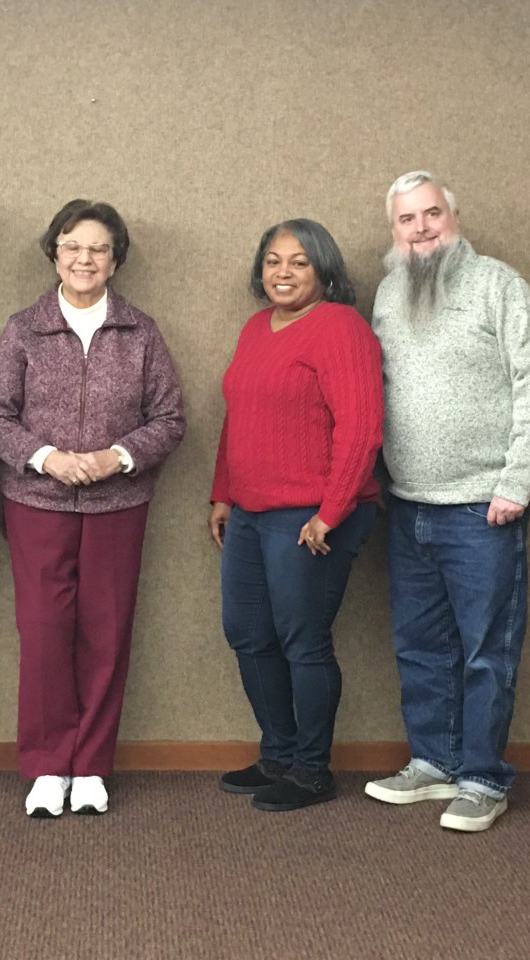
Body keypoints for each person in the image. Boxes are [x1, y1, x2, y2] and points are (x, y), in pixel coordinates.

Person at [364, 171, 530, 832]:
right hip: (409, 504)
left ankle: (482, 777)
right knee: (420, 645)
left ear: (454, 215)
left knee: (485, 650)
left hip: (484, 506)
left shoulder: (499, 285)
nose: (420, 229)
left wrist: (517, 481)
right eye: (406, 220)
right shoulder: (390, 293)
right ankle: (433, 764)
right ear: (393, 231)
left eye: (431, 214)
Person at [0, 200, 184, 818]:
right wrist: (46, 457)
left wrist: (117, 456)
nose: (84, 258)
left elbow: (170, 419)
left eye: (98, 248)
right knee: (44, 633)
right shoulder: (24, 329)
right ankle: (47, 767)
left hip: (119, 503)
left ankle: (91, 765)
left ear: (115, 260)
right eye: (72, 246)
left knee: (107, 633)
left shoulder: (141, 333)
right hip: (36, 502)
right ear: (55, 253)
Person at [208, 219, 383, 813]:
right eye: (273, 261)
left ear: (324, 269)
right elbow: (240, 415)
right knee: (248, 633)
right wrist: (223, 493)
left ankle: (312, 770)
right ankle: (278, 754)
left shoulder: (341, 328)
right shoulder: (257, 327)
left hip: (312, 515)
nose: (283, 272)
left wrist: (331, 513)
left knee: (302, 641)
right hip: (253, 514)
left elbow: (361, 430)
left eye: (299, 262)